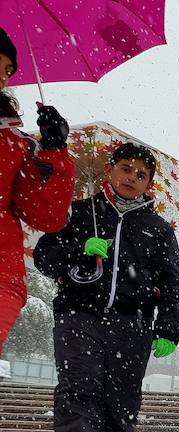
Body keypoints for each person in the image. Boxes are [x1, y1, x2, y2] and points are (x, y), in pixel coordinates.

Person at [33, 142, 179, 432]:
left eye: (141, 175)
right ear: (110, 170)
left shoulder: (158, 230)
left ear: (149, 184)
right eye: (126, 169)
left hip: (131, 326)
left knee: (120, 405)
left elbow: (174, 284)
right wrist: (78, 250)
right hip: (79, 316)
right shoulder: (79, 213)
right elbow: (44, 256)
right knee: (79, 395)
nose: (132, 178)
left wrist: (169, 328)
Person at [0, 27, 75, 378]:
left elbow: (46, 216)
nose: (2, 77)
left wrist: (55, 153)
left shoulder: (15, 143)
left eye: (7, 71)